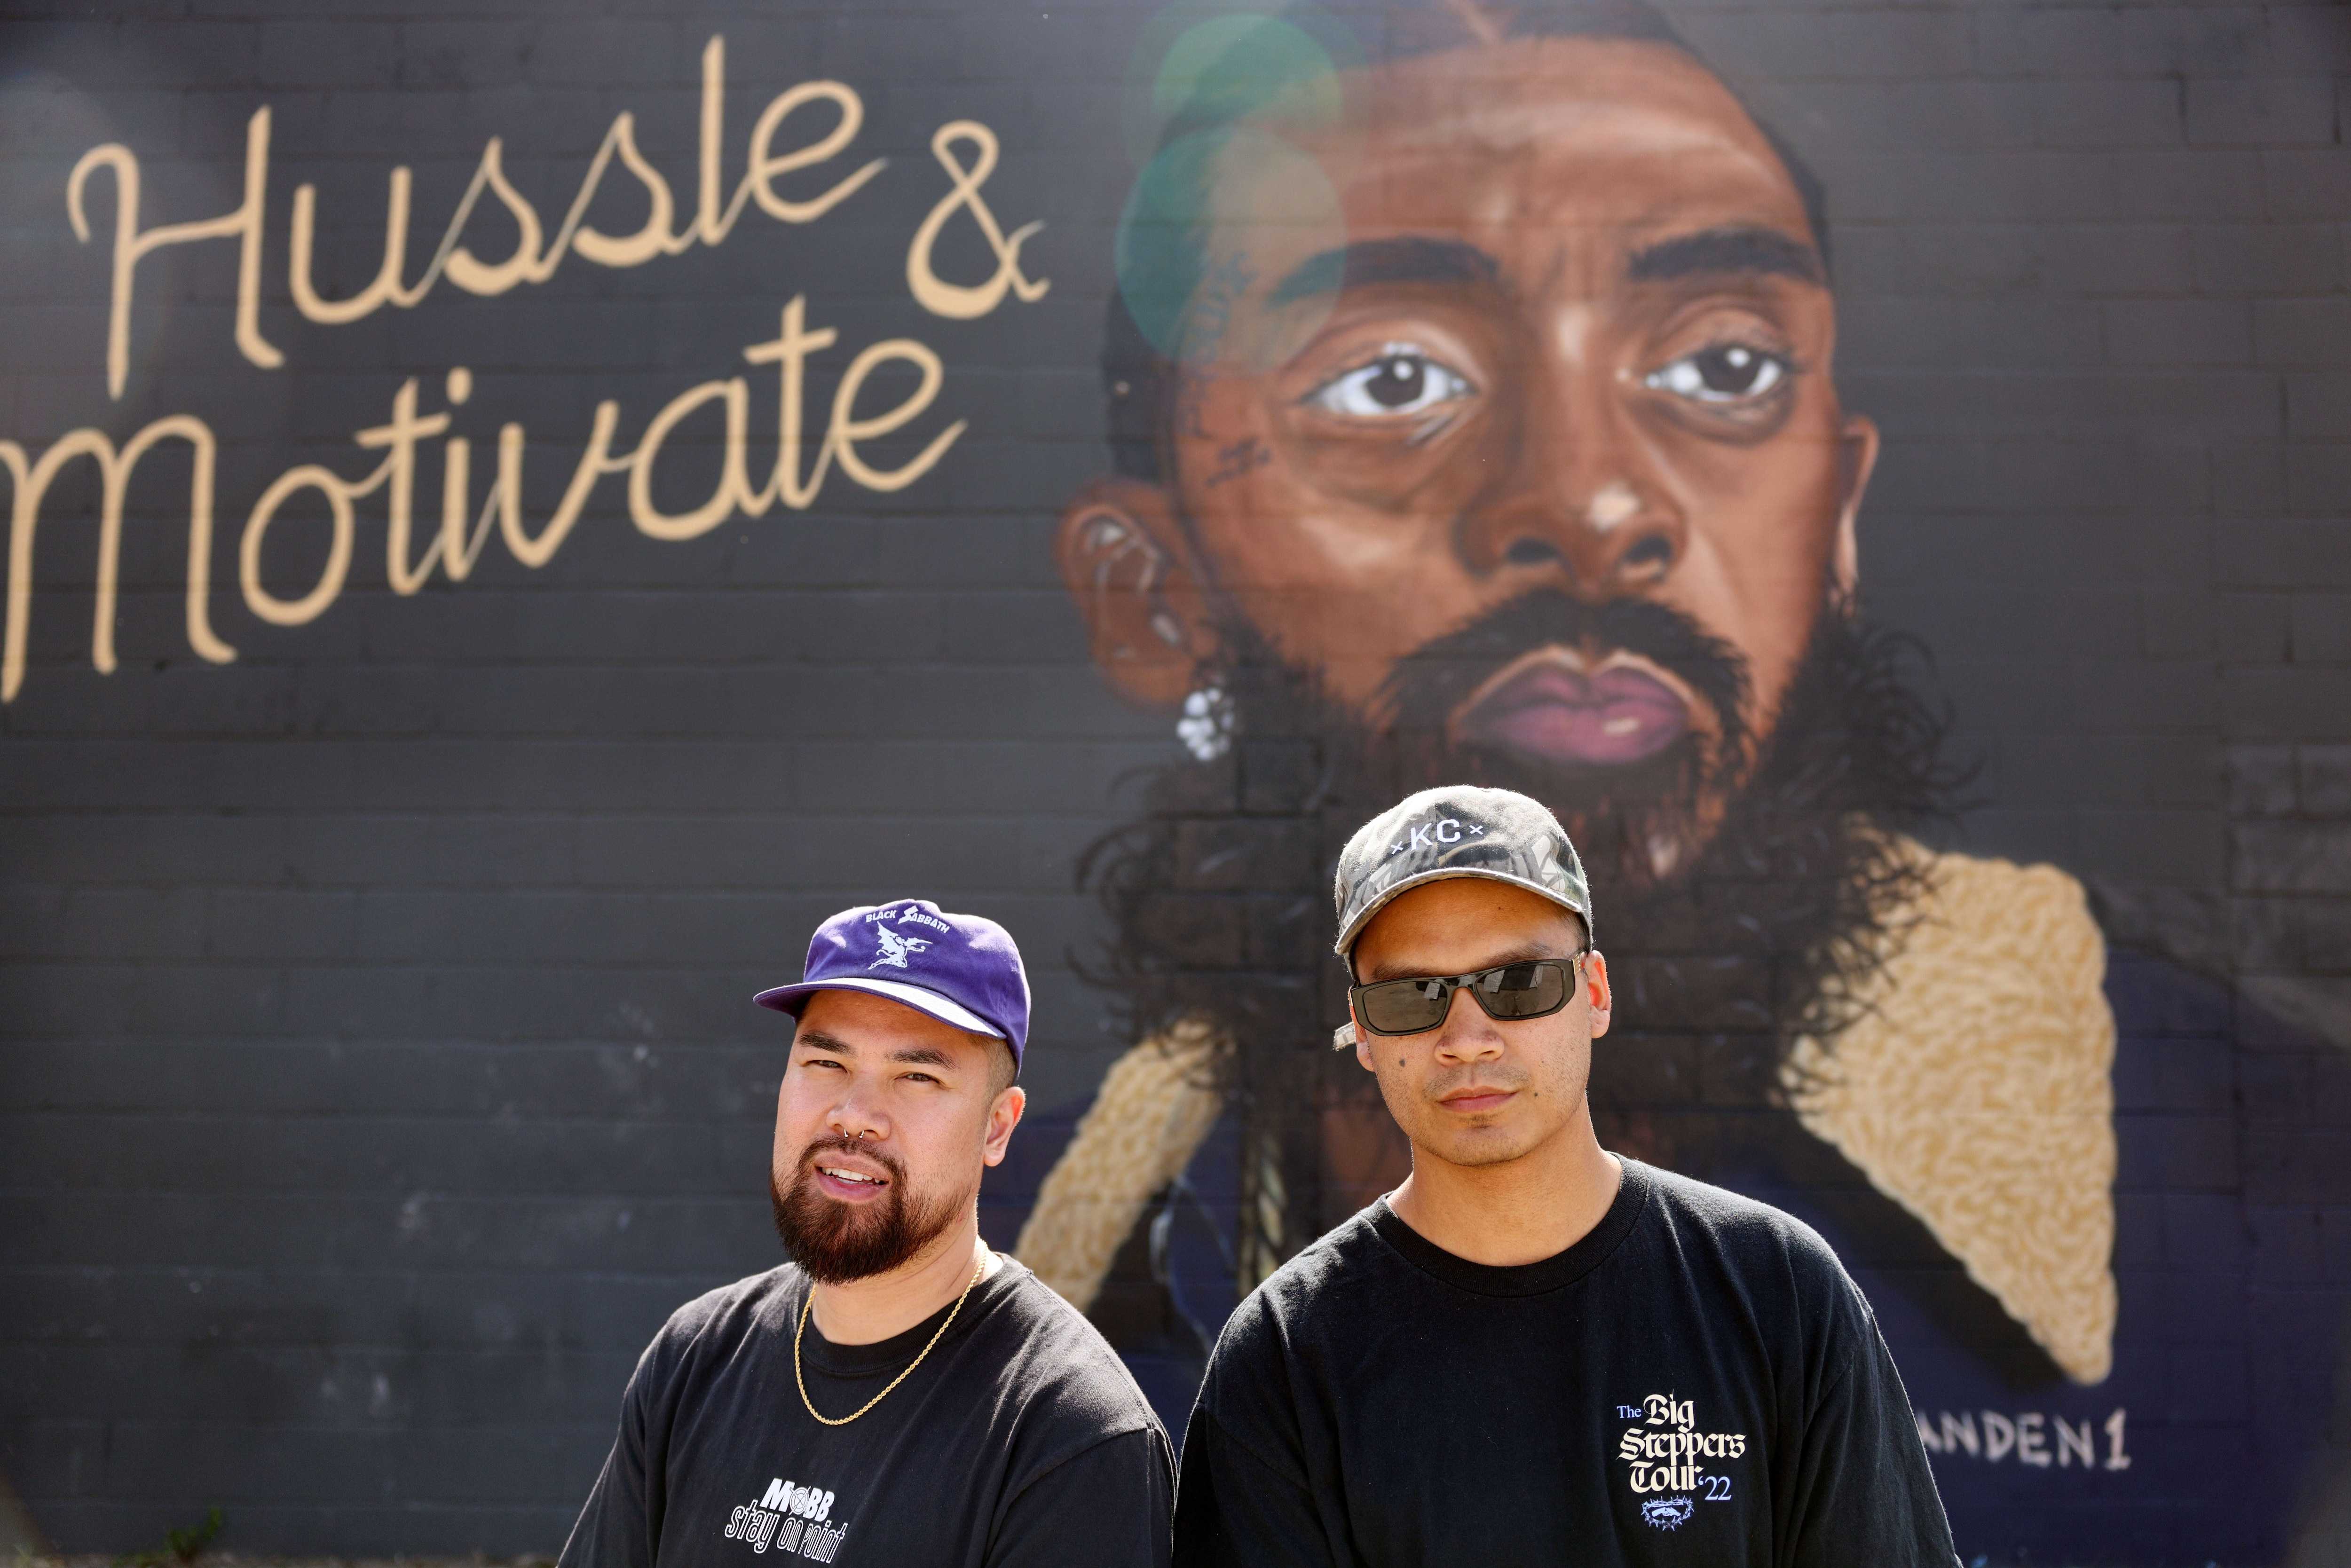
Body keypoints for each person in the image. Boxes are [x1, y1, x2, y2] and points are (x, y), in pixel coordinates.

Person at [1011, 3, 2351, 1561]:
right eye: (1391, 382)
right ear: (1152, 590)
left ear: (1834, 523)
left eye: (1723, 363)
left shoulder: (2266, 1191)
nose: (1593, 498)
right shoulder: (1041, 1268)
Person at [1169, 784, 1957, 1565]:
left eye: (1518, 984)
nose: (1467, 1038)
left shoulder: (1777, 1292)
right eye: (1413, 995)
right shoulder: (1285, 1359)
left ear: (1596, 993)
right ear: (1365, 1031)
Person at [559, 899, 1173, 1568]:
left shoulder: (1069, 1434)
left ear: (997, 1127)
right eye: (827, 1064)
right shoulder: (695, 1361)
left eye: (917, 1076)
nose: (856, 1117)